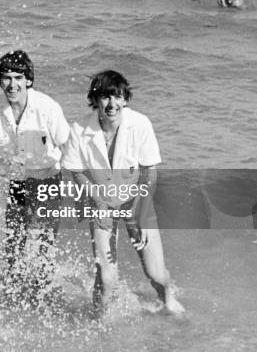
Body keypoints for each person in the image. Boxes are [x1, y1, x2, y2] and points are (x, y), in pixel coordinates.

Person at [61, 70, 185, 314]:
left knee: (156, 274)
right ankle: (100, 319)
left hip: (137, 201)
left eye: (117, 97)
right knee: (106, 278)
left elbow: (150, 172)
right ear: (95, 100)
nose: (112, 104)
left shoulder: (140, 124)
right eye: (105, 97)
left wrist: (142, 211)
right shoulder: (79, 129)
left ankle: (168, 298)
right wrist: (97, 201)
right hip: (101, 203)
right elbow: (76, 171)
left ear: (125, 99)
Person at [0, 50, 70, 288]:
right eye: (6, 78)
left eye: (18, 77)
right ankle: (13, 288)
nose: (12, 84)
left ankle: (45, 290)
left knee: (42, 241)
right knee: (14, 239)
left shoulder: (48, 108)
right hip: (18, 180)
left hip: (49, 179)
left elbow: (68, 146)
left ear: (28, 80)